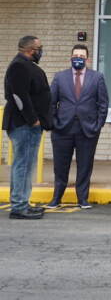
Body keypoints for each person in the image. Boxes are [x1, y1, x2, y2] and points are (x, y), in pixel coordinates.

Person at [47, 44, 109, 209]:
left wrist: (98, 125)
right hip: (62, 129)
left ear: (87, 59)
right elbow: (51, 102)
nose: (78, 58)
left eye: (82, 56)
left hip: (87, 130)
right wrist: (54, 123)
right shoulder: (60, 77)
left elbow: (103, 104)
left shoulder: (97, 77)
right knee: (60, 165)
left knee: (85, 165)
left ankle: (82, 199)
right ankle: (56, 198)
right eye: (76, 55)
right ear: (71, 57)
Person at [3, 35, 51, 220]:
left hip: (29, 125)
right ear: (31, 50)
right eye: (39, 48)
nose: (41, 51)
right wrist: (32, 119)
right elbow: (18, 96)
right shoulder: (19, 66)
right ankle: (19, 206)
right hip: (23, 125)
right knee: (22, 165)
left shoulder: (26, 65)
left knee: (26, 165)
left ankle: (23, 202)